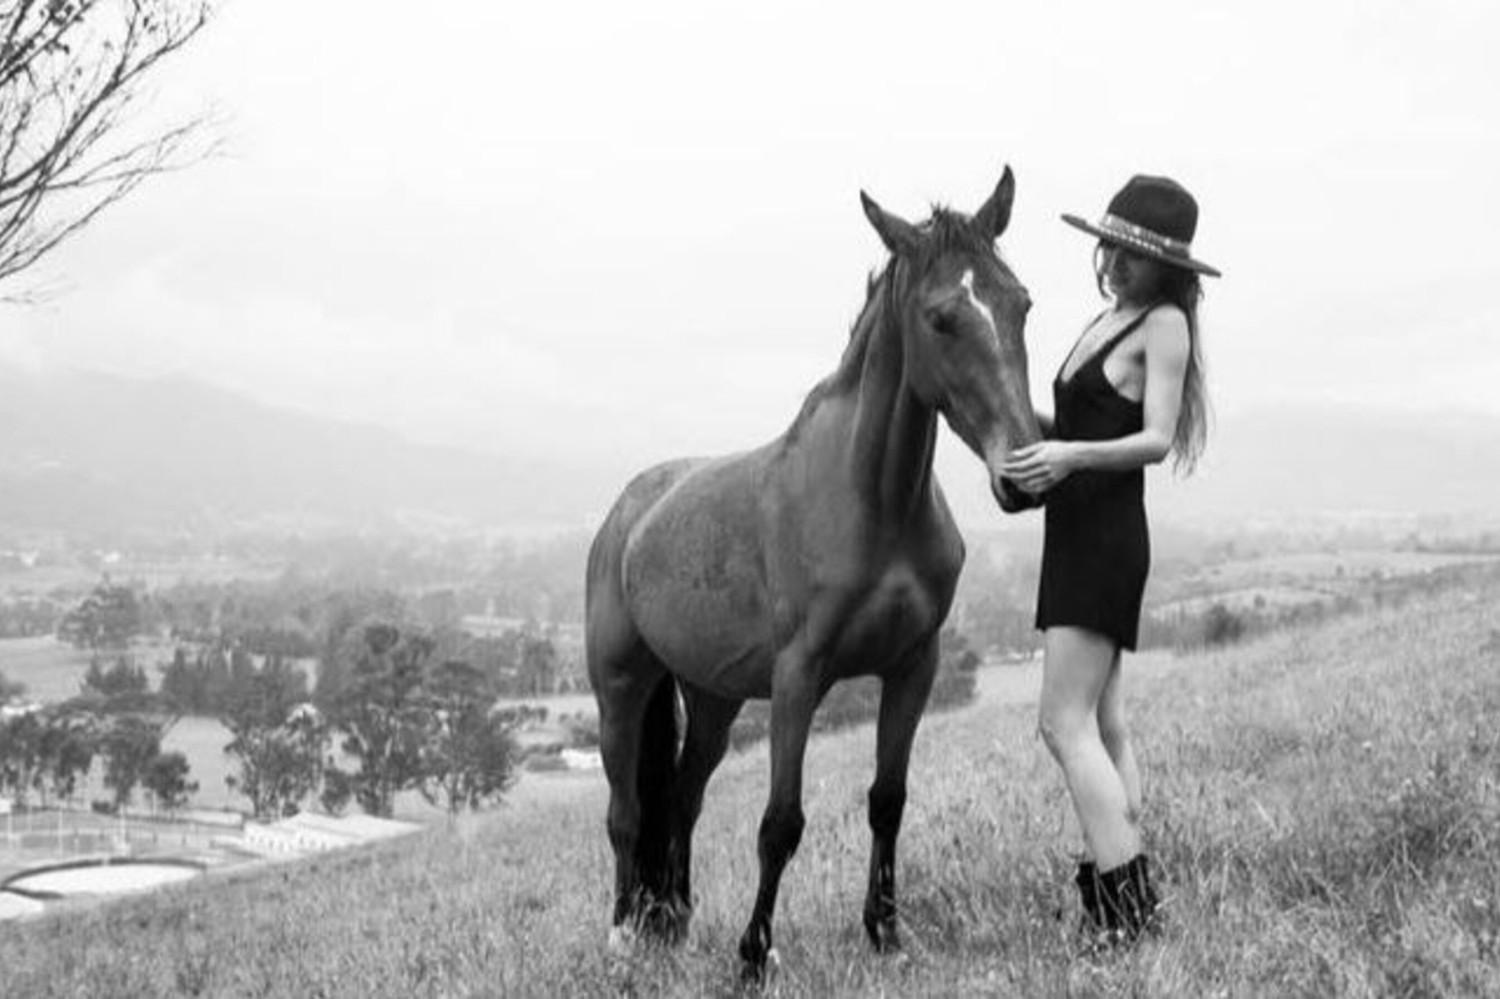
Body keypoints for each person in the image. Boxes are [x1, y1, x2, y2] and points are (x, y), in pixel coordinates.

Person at [1000, 174, 1221, 948]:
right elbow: (1084, 421)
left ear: (1169, 267)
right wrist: (1019, 424)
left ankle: (1128, 908)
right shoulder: (1108, 318)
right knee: (1105, 722)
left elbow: (1155, 438)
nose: (1117, 261)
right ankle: (1122, 884)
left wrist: (1066, 456)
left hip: (1105, 534)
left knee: (1062, 724)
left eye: (1136, 253)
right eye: (1112, 246)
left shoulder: (1165, 324)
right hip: (1075, 527)